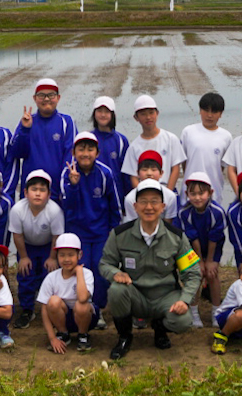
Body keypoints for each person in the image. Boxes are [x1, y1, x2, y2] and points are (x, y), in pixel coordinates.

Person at [98, 180, 201, 360]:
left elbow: (193, 273)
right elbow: (105, 263)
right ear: (135, 206)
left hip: (164, 296)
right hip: (135, 294)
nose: (149, 207)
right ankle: (124, 336)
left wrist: (185, 300)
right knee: (116, 290)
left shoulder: (176, 237)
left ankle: (160, 330)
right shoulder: (120, 234)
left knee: (183, 321)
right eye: (143, 202)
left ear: (163, 206)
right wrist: (116, 273)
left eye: (154, 202)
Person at [57, 131, 124, 318]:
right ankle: (79, 307)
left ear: (97, 152)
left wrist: (113, 232)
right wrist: (74, 184)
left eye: (90, 149)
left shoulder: (105, 173)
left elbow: (114, 205)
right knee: (80, 269)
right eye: (81, 149)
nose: (85, 153)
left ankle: (99, 309)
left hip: (101, 232)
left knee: (100, 269)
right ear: (73, 152)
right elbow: (66, 206)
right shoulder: (67, 173)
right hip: (77, 234)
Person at [10, 169, 65, 329]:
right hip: (27, 246)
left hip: (49, 246)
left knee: (50, 274)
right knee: (26, 274)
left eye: (42, 190)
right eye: (34, 189)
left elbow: (57, 236)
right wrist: (24, 257)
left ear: (49, 194)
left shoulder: (54, 210)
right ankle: (27, 309)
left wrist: (53, 257)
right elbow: (17, 235)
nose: (38, 194)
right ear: (26, 192)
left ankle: (51, 309)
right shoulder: (17, 210)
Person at [178, 171, 227, 323]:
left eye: (201, 193)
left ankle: (216, 311)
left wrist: (210, 260)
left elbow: (215, 237)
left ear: (210, 192)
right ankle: (193, 311)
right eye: (193, 194)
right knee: (194, 275)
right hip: (188, 249)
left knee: (212, 274)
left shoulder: (217, 212)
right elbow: (192, 238)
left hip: (213, 247)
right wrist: (198, 261)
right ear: (187, 194)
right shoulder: (184, 213)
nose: (197, 198)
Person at [37, 233, 94, 354]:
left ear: (79, 255)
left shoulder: (86, 273)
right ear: (56, 256)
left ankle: (83, 335)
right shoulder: (52, 277)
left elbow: (83, 297)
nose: (66, 259)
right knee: (52, 301)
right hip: (61, 318)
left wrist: (79, 272)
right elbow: (44, 309)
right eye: (62, 255)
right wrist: (52, 338)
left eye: (71, 255)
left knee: (81, 305)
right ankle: (63, 334)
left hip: (85, 318)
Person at [13, 77, 76, 187]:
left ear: (58, 97)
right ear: (35, 98)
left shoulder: (66, 122)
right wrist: (25, 130)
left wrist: (64, 186)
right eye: (41, 95)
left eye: (51, 95)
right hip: (32, 191)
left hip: (57, 191)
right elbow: (17, 153)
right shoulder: (27, 121)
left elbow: (71, 156)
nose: (46, 99)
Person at [120, 95, 186, 190]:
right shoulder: (134, 147)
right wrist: (144, 196)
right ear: (136, 117)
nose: (148, 117)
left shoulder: (171, 139)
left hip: (168, 191)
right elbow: (133, 176)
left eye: (151, 113)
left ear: (157, 113)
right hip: (145, 196)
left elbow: (175, 169)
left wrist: (167, 194)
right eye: (143, 114)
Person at [179, 92, 232, 199]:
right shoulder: (188, 132)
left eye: (214, 111)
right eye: (206, 110)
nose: (209, 115)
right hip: (189, 193)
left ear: (220, 114)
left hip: (214, 193)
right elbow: (183, 161)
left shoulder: (226, 137)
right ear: (200, 110)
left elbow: (222, 166)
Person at [90, 96, 129, 173]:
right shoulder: (88, 138)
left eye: (107, 111)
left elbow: (126, 172)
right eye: (99, 111)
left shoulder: (121, 140)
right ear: (94, 114)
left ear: (112, 115)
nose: (103, 115)